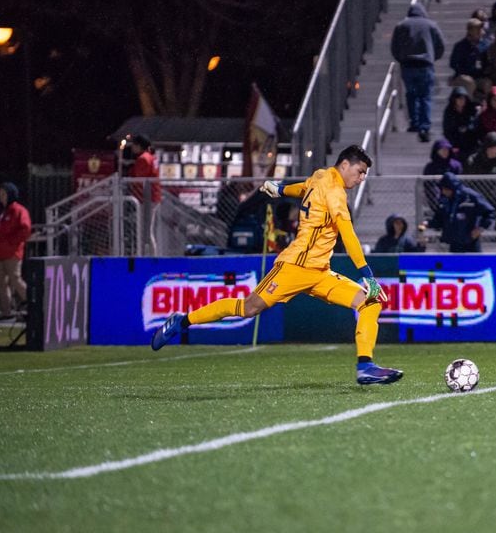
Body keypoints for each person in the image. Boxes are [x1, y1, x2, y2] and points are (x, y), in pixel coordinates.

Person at [151, 145, 403, 385]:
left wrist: (280, 189)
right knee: (248, 308)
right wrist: (367, 275)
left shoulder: (320, 176)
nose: (361, 179)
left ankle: (365, 367)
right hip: (294, 267)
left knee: (370, 302)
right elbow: (348, 234)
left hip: (320, 272)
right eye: (360, 172)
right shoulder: (336, 193)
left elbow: (302, 188)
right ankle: (182, 321)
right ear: (345, 164)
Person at [391, 3, 446, 143]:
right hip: (425, 65)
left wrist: (401, 59)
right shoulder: (431, 25)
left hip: (408, 65)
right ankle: (425, 126)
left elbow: (394, 47)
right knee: (425, 96)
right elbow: (441, 45)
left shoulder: (401, 25)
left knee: (411, 95)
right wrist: (433, 57)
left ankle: (414, 124)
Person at [420, 172, 495, 253]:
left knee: (474, 265)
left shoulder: (470, 196)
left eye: (446, 189)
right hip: (453, 243)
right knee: (454, 265)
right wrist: (427, 223)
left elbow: (490, 212)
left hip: (470, 241)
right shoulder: (444, 200)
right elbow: (439, 220)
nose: (444, 191)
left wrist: (480, 229)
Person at [124, 133, 162, 255]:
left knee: (145, 231)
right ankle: (148, 256)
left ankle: (150, 258)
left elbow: (139, 180)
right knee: (146, 230)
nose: (132, 148)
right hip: (152, 197)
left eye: (134, 145)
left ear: (139, 146)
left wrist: (130, 175)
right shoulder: (151, 157)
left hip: (147, 198)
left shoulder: (143, 158)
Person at [0, 182, 31, 319]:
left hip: (12, 253)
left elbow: (26, 229)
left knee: (16, 279)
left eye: (3, 194)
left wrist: (11, 242)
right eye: (0, 194)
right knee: (1, 283)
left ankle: (34, 304)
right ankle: (7, 312)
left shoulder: (19, 210)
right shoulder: (3, 212)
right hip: (0, 253)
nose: (1, 197)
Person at [449, 18, 489, 93]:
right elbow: (453, 64)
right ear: (470, 31)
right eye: (477, 28)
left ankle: (486, 104)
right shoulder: (460, 46)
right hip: (464, 76)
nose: (480, 30)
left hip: (480, 76)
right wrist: (463, 71)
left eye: (481, 28)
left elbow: (489, 62)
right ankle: (471, 104)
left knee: (487, 83)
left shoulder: (486, 44)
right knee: (469, 82)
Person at [423, 139, 464, 210]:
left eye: (447, 149)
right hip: (436, 196)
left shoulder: (456, 165)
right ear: (436, 151)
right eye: (442, 149)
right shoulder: (430, 166)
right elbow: (428, 184)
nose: (445, 152)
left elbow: (460, 182)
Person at [442, 87, 480, 158]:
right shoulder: (449, 112)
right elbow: (447, 130)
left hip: (470, 141)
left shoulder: (471, 109)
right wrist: (453, 145)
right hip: (456, 142)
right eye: (459, 98)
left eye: (463, 98)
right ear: (454, 99)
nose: (461, 101)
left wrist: (467, 128)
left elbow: (475, 124)